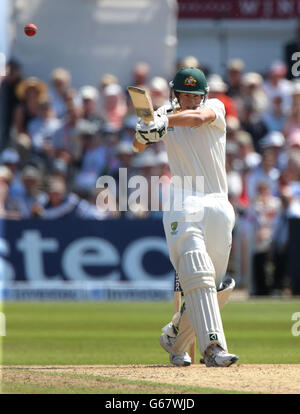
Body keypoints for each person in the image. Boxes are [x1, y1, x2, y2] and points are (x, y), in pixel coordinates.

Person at [133, 67, 238, 367]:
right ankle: (213, 349)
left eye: (196, 95)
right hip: (183, 202)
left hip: (218, 203)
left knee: (218, 287)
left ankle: (174, 338)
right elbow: (138, 144)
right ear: (174, 94)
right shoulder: (164, 113)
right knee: (198, 272)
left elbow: (196, 119)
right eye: (185, 95)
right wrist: (144, 129)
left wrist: (162, 121)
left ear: (203, 95)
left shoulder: (213, 108)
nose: (191, 101)